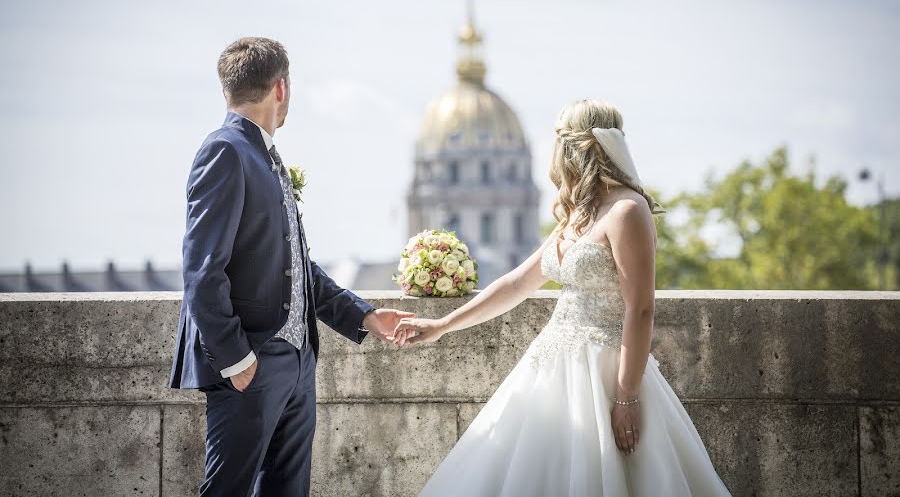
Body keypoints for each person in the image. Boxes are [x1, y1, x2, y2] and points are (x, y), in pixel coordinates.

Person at [392, 99, 732, 496]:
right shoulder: (579, 213)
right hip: (551, 366)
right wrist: (441, 326)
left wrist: (625, 397)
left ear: (578, 147)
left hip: (606, 372)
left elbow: (640, 310)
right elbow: (517, 284)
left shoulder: (627, 210)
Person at [167, 37, 414, 497]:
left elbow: (296, 268)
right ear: (281, 88)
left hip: (298, 364)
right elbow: (201, 271)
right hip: (252, 362)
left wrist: (363, 315)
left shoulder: (265, 155)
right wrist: (236, 359)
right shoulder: (225, 151)